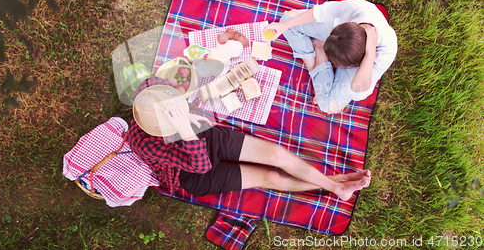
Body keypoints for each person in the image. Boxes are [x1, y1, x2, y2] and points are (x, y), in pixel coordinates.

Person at [128, 76, 371, 201]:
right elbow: (200, 165)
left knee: (276, 154)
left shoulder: (149, 90)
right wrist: (184, 129)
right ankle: (337, 184)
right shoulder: (143, 142)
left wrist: (187, 115)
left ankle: (336, 186)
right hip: (191, 172)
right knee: (271, 176)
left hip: (203, 137)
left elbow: (173, 89)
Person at [263, 0, 397, 114]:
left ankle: (319, 49)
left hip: (362, 57)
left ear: (350, 65)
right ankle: (319, 50)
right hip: (341, 36)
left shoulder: (386, 51)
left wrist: (370, 53)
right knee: (288, 20)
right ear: (353, 24)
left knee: (328, 105)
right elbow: (319, 13)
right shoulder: (357, 8)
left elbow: (358, 90)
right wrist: (284, 25)